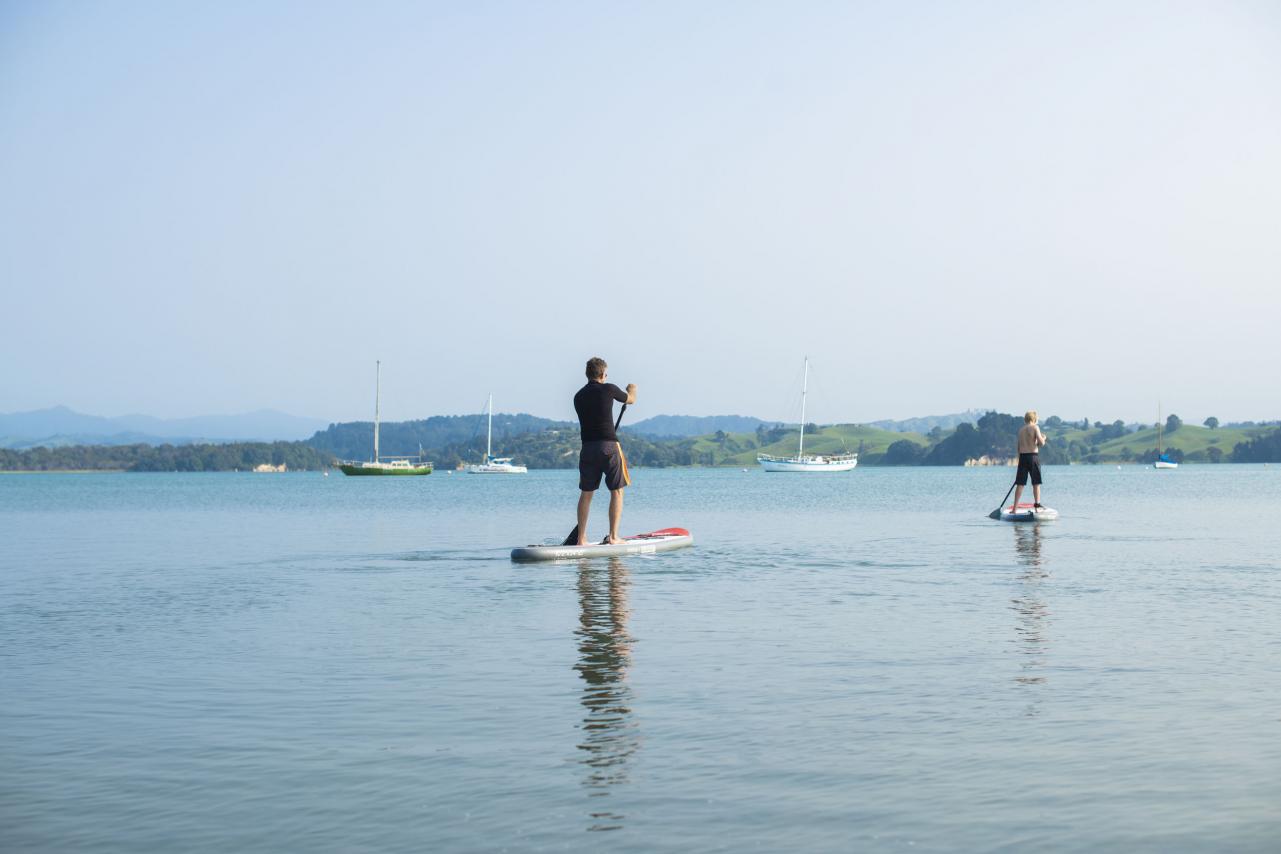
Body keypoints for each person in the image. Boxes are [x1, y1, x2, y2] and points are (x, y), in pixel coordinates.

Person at [573, 357, 637, 545]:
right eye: (606, 374)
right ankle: (614, 537)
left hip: (587, 449)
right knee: (617, 491)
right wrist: (632, 388)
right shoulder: (609, 388)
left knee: (586, 493)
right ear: (602, 374)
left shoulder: (578, 396)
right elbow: (631, 399)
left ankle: (581, 539)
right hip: (609, 446)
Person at [1012, 410, 1046, 512]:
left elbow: (1018, 447)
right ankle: (1037, 506)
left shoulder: (1021, 430)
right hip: (1033, 457)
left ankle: (1014, 508)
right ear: (1034, 419)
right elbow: (1041, 443)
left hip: (1022, 457)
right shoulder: (1035, 427)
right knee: (1036, 483)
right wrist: (1044, 438)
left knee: (1020, 484)